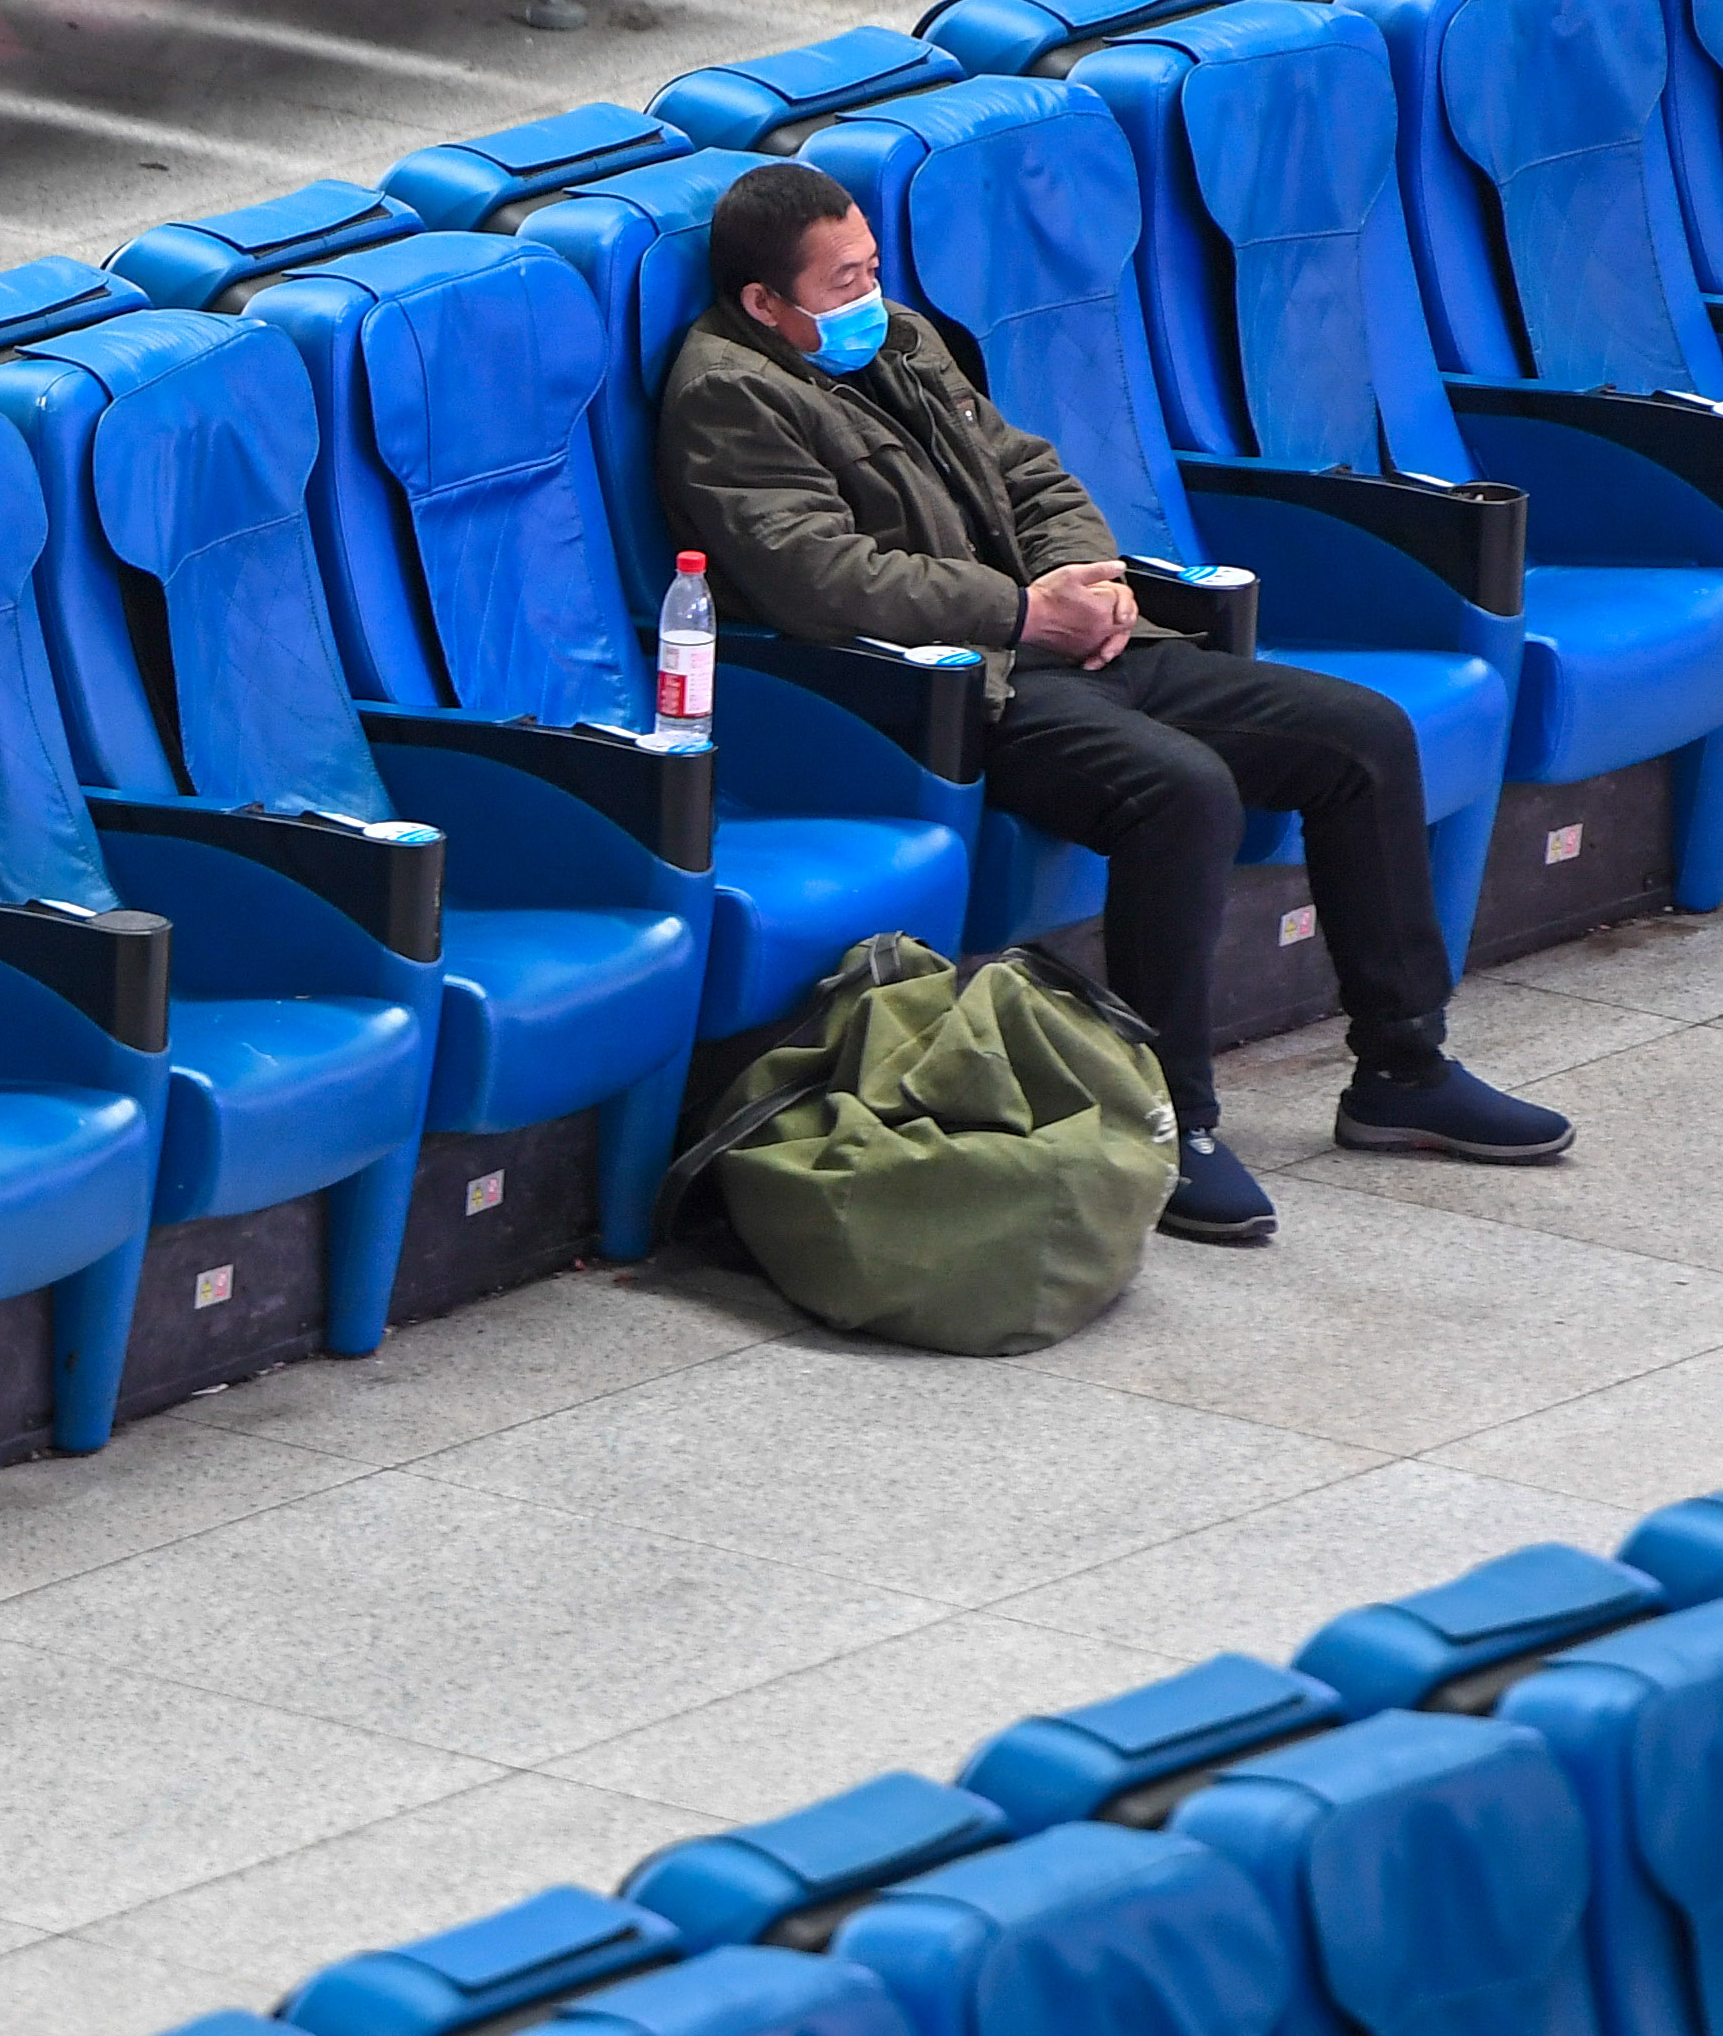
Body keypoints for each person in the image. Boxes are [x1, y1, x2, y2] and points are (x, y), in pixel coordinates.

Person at [652, 158, 1567, 1246]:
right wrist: (1021, 614)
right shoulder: (725, 393)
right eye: (840, 283)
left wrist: (1090, 582)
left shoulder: (898, 335)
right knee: (1181, 791)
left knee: (1361, 736)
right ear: (764, 303)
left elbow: (1031, 471)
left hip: (1060, 636)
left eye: (870, 267)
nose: (868, 296)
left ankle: (1404, 1070)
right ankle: (1170, 1121)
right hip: (947, 689)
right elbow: (825, 579)